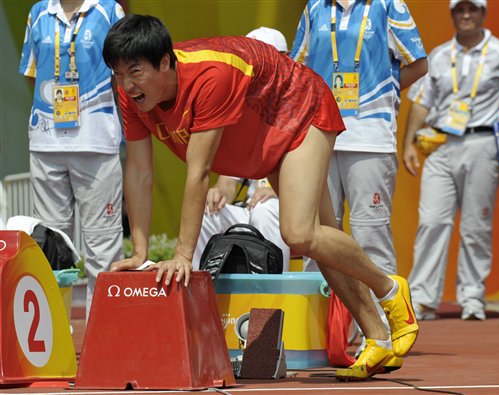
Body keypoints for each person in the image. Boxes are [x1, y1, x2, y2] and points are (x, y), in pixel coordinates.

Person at [103, 14, 419, 380]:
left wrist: (182, 255)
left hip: (299, 108)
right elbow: (140, 174)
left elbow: (199, 172)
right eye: (117, 73)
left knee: (300, 233)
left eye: (135, 72)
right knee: (323, 239)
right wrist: (139, 251)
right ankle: (378, 337)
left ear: (164, 62)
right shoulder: (132, 98)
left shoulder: (210, 75)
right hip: (262, 140)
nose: (126, 84)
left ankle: (388, 287)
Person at [290, 0, 427, 357]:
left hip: (369, 135)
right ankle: (317, 336)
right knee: (315, 236)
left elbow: (419, 63)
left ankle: (386, 333)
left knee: (369, 234)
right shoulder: (315, 8)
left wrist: (384, 92)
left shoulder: (387, 5)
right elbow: (296, 68)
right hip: (318, 135)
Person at [402, 0, 499, 321]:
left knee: (477, 223)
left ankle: (473, 296)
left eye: (472, 10)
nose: (466, 16)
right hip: (440, 144)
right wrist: (409, 142)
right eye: (459, 10)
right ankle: (422, 298)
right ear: (453, 15)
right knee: (432, 221)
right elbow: (422, 101)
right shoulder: (438, 56)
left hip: (483, 142)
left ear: (483, 14)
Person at [19, 0, 125, 318]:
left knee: (102, 246)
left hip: (97, 142)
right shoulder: (38, 13)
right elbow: (32, 73)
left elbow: (122, 75)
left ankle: (105, 338)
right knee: (50, 245)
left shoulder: (109, 10)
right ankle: (55, 337)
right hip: (45, 143)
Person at [192, 27, 291, 270]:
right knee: (207, 211)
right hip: (248, 208)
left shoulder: (298, 109)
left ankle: (272, 301)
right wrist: (219, 192)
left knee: (265, 211)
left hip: (286, 209)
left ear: (286, 61)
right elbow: (227, 181)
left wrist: (279, 192)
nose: (259, 72)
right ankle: (199, 298)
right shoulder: (241, 114)